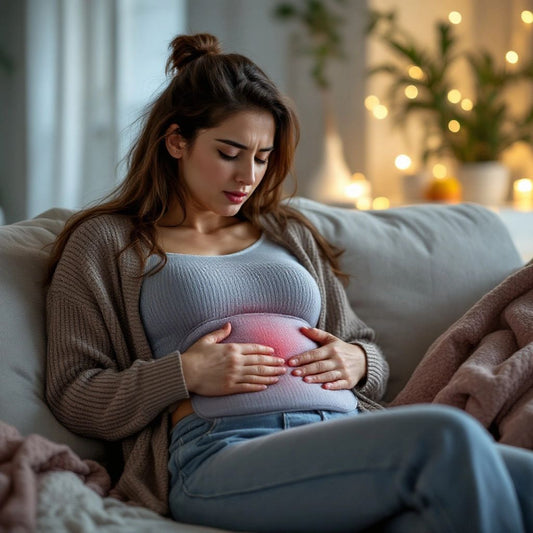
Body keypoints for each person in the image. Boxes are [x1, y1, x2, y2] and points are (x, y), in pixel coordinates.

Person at [45, 33, 533, 533]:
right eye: (229, 152)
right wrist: (184, 373)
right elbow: (73, 391)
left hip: (345, 434)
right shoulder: (107, 243)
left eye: (261, 157)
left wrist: (358, 360)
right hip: (221, 451)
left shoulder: (287, 232)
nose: (247, 176)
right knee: (447, 438)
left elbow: (365, 347)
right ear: (176, 141)